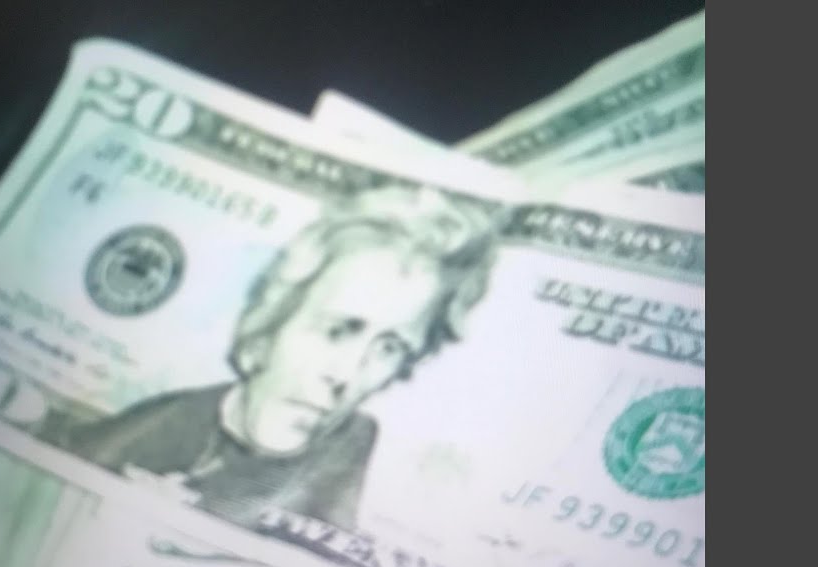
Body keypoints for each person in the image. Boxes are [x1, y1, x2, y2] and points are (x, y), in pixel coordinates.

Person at [63, 185, 499, 531]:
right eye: (337, 330)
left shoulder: (356, 451)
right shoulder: (157, 425)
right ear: (270, 327)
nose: (346, 375)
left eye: (389, 349)